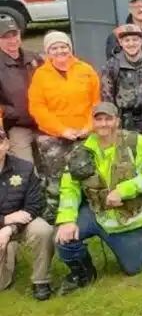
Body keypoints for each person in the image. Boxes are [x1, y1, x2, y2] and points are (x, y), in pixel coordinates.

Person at [54, 103, 142, 294]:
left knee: (134, 269)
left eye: (108, 119)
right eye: (98, 119)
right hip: (96, 213)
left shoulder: (136, 142)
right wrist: (67, 220)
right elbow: (69, 189)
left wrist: (124, 190)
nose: (103, 124)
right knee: (63, 239)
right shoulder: (79, 152)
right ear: (93, 122)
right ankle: (84, 273)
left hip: (129, 218)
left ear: (117, 121)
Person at [28, 31, 101, 222]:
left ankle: (93, 213)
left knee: (88, 174)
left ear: (70, 48)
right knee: (56, 180)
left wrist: (88, 126)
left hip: (85, 133)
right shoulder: (40, 76)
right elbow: (37, 108)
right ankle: (55, 217)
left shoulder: (86, 70)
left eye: (64, 46)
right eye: (54, 48)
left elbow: (96, 102)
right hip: (54, 137)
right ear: (47, 52)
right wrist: (61, 130)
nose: (60, 51)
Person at [0, 128, 52, 300]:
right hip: (6, 221)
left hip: (21, 223)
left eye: (0, 142)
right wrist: (4, 220)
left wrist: (11, 228)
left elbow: (35, 204)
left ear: (6, 144)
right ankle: (10, 255)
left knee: (43, 230)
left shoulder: (25, 168)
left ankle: (41, 281)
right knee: (2, 285)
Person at [101, 24, 142, 132]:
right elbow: (107, 99)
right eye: (127, 40)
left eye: (135, 40)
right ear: (120, 42)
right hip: (123, 124)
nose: (131, 44)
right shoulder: (111, 66)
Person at [0, 18, 44, 163]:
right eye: (6, 37)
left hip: (44, 122)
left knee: (55, 164)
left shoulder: (35, 58)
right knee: (24, 169)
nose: (12, 40)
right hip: (17, 126)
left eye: (15, 35)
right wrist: (12, 113)